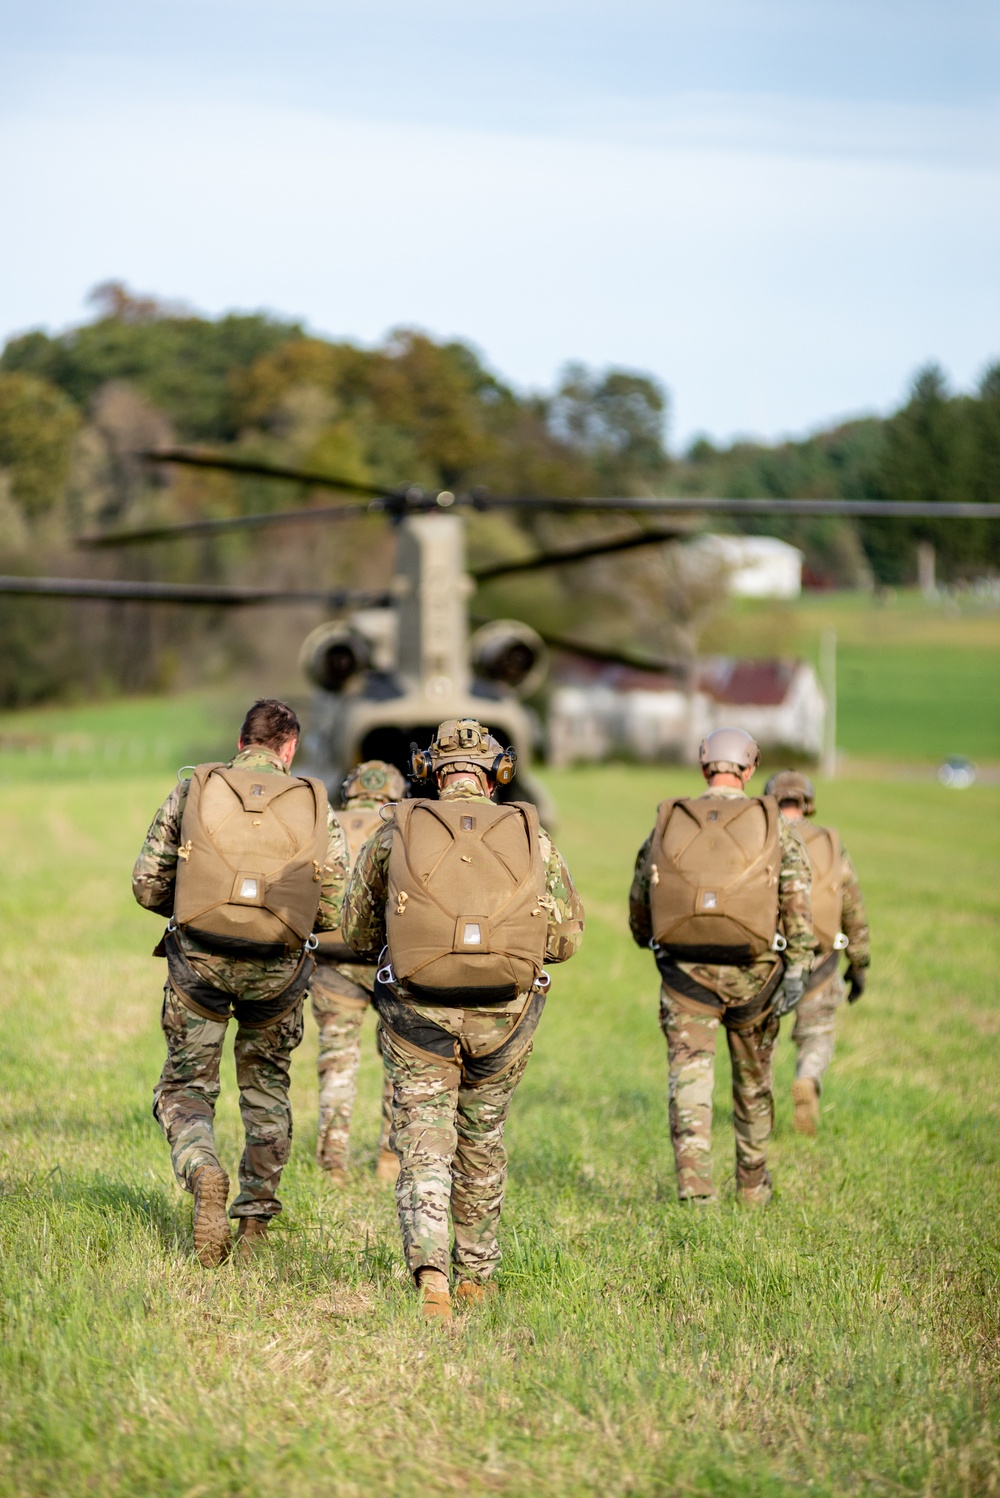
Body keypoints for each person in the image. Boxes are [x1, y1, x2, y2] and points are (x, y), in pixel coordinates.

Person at [343, 718, 584, 1320]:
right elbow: (567, 939)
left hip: (418, 1016)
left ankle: (432, 1275)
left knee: (424, 1141)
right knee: (482, 1138)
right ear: (498, 772)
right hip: (504, 1021)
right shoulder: (533, 836)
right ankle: (477, 1274)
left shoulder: (396, 829)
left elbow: (354, 930)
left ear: (429, 770)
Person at [132, 698, 348, 1266]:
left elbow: (147, 883)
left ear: (239, 742)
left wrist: (201, 911)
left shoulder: (196, 789)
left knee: (184, 1090)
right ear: (290, 748)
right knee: (267, 1092)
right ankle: (253, 1225)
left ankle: (202, 1169)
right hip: (277, 976)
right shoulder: (312, 804)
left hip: (199, 967)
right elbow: (332, 906)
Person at [629, 727, 814, 1207]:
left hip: (685, 976)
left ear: (703, 766)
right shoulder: (773, 823)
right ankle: (752, 1186)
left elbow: (643, 890)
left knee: (690, 1082)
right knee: (753, 1083)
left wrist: (647, 938)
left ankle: (695, 1192)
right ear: (750, 770)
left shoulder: (673, 820)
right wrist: (796, 966)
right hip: (757, 975)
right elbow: (796, 897)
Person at [311, 760, 406, 1186]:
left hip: (334, 963)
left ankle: (332, 1165)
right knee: (399, 1067)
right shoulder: (404, 829)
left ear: (350, 793)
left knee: (337, 1065)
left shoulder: (327, 825)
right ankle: (390, 1160)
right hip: (391, 965)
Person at [764, 770, 870, 1134]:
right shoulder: (828, 843)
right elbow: (852, 906)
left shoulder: (758, 839)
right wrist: (859, 963)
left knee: (763, 1035)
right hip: (820, 958)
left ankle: (760, 1107)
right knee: (818, 1034)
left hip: (769, 959)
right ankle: (808, 1077)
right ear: (807, 804)